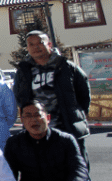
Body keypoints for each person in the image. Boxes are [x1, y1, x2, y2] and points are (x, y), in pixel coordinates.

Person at [13, 30, 93, 167]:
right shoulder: (24, 70)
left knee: (77, 165)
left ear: (49, 44)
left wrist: (78, 112)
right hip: (39, 129)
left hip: (68, 126)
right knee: (45, 168)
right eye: (31, 44)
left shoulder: (66, 66)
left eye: (40, 43)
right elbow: (20, 96)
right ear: (27, 48)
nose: (36, 47)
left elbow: (83, 92)